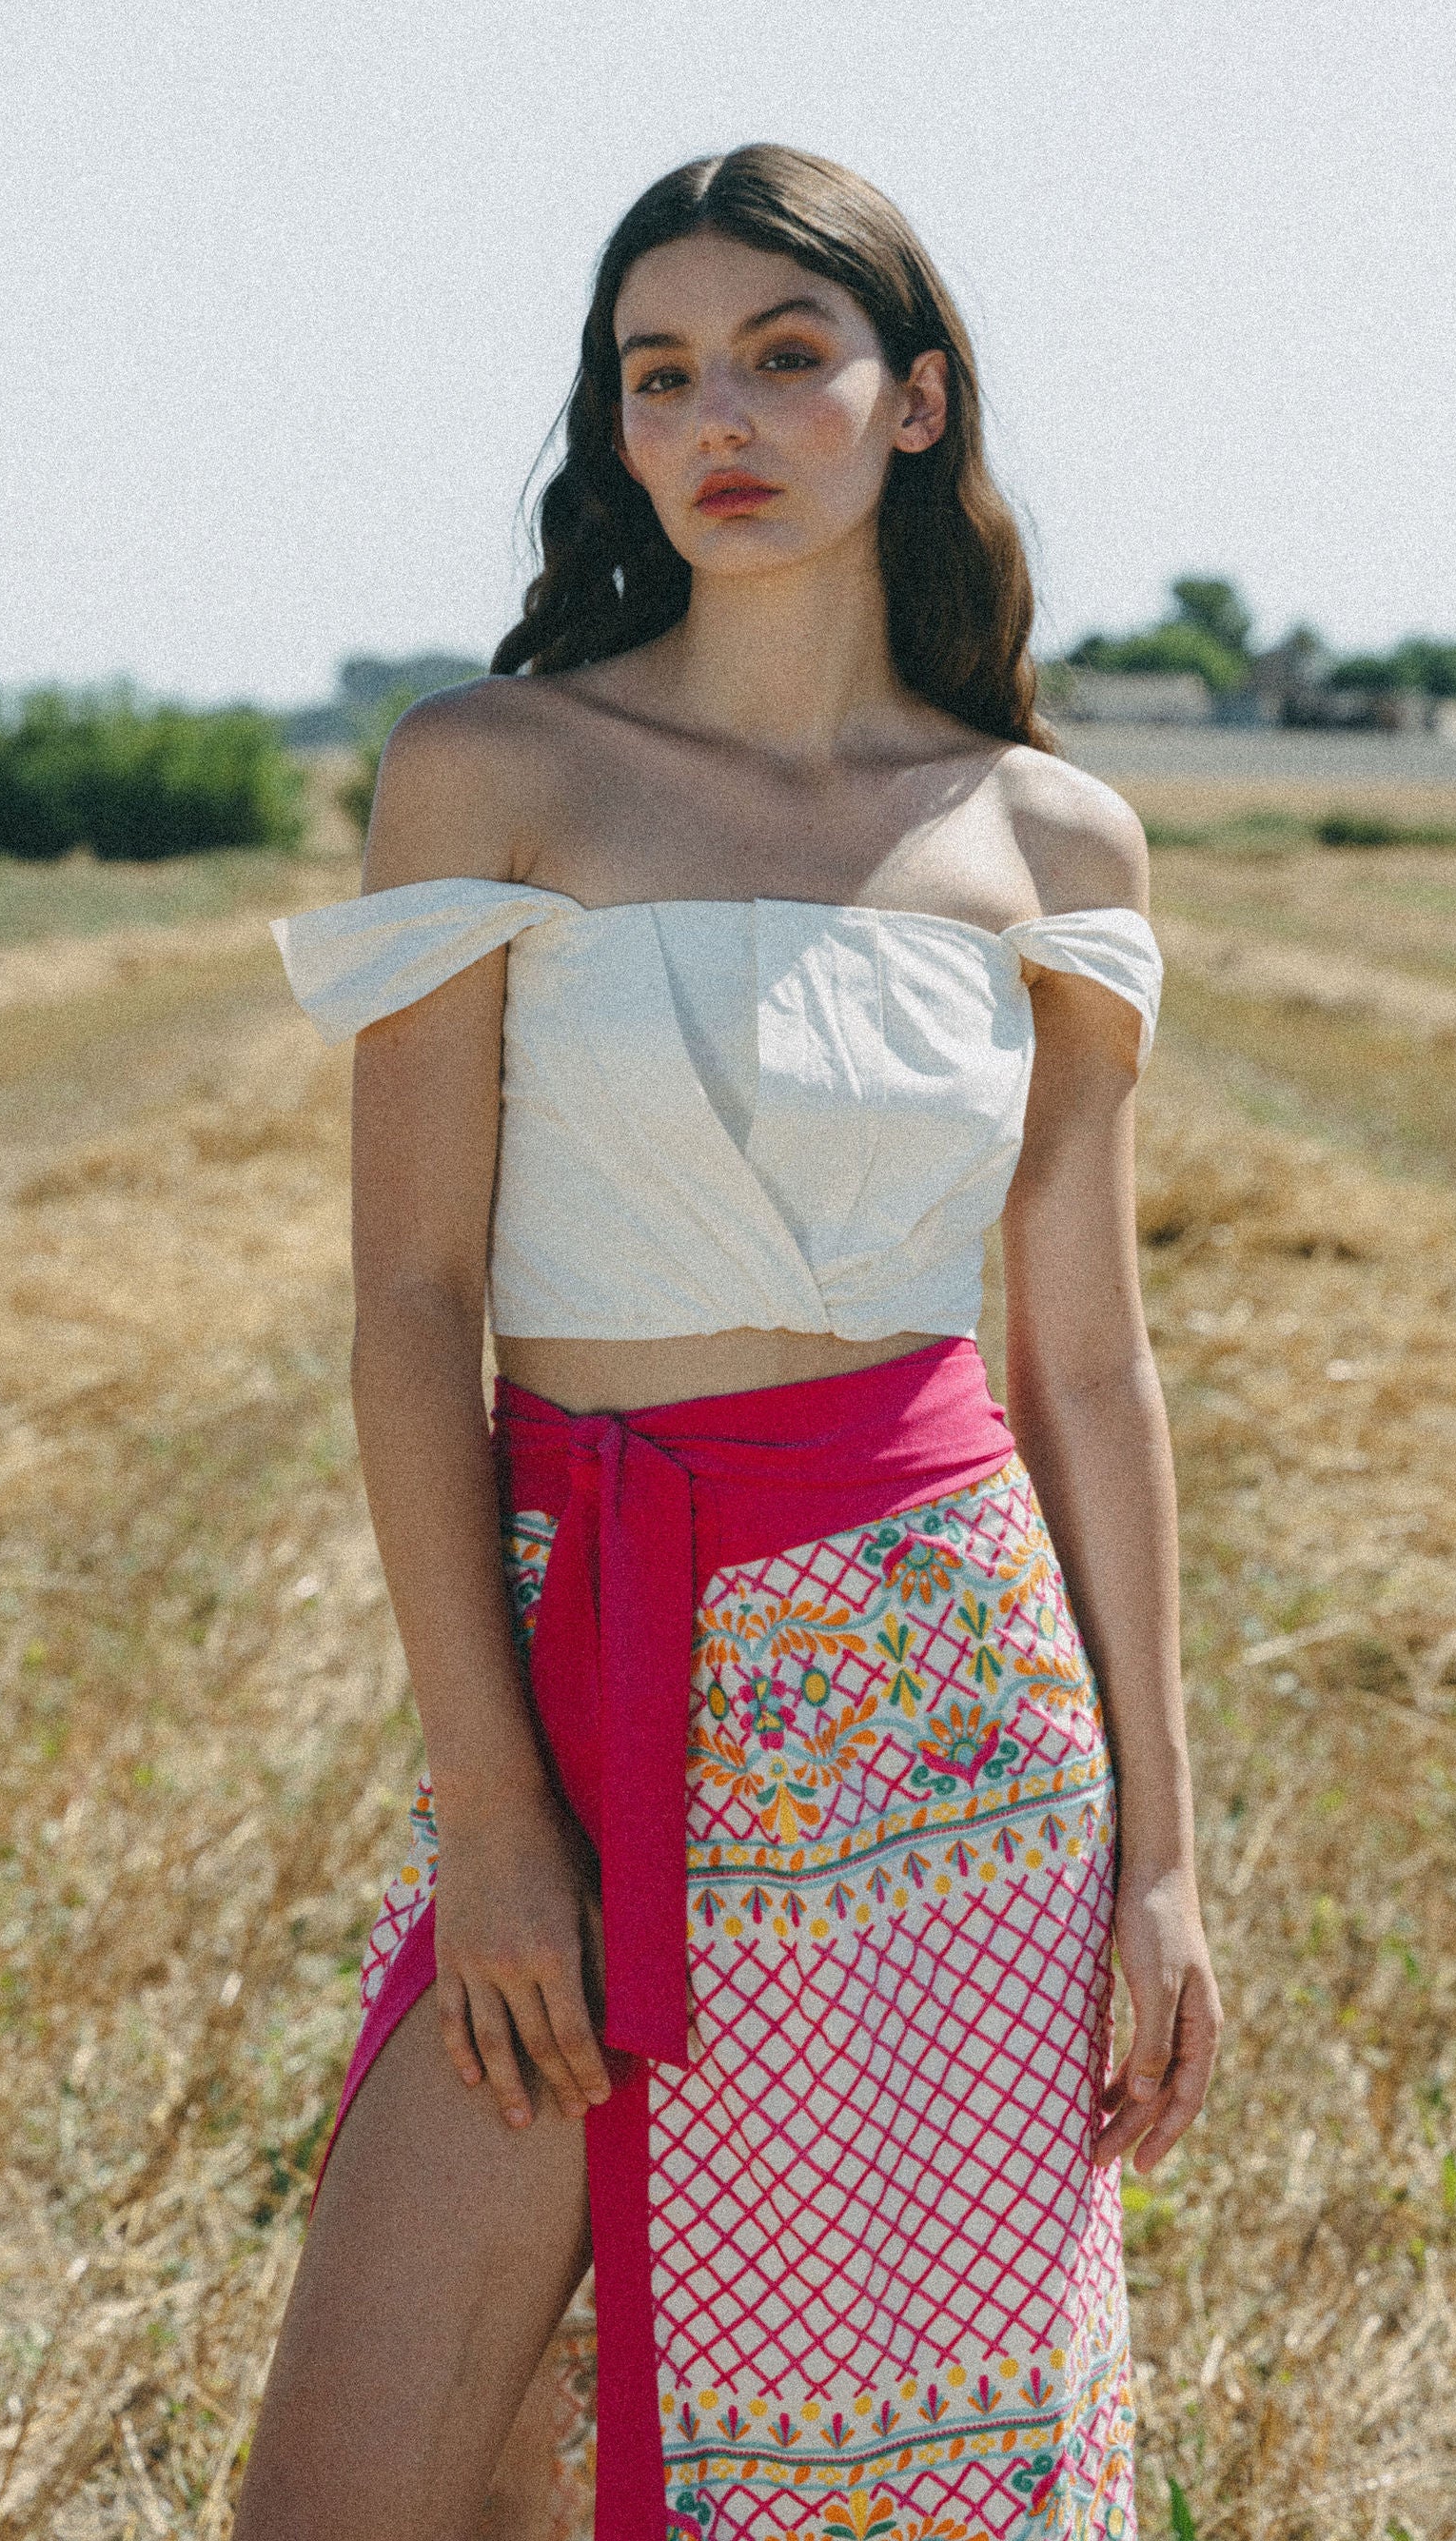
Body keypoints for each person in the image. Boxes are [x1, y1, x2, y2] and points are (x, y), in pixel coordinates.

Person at [239, 145, 1220, 2541]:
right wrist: (493, 1814)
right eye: (659, 371)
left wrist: (1167, 1861)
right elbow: (410, 1312)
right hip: (587, 1650)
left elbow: (1081, 1362)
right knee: (361, 2478)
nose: (721, 417)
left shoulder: (1048, 842)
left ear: (913, 405)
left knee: (895, 2470)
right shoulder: (499, 769)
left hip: (943, 1717)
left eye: (788, 355)